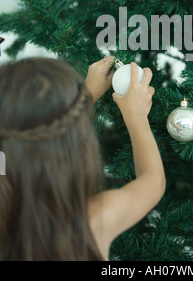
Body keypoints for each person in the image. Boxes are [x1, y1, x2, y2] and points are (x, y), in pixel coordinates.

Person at [0, 56, 166, 261]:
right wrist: (136, 117)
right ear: (81, 143)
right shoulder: (93, 220)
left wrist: (83, 101)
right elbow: (153, 181)